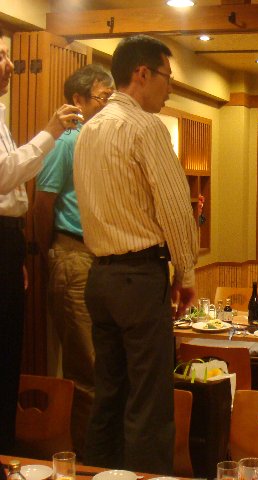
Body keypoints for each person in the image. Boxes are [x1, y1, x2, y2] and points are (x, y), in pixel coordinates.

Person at [73, 35, 198, 473]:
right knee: (149, 402)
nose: (170, 88)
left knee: (108, 394)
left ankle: (99, 474)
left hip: (99, 278)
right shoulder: (146, 127)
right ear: (142, 74)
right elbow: (175, 208)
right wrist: (186, 274)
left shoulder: (88, 131)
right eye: (167, 77)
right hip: (139, 278)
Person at [0, 33, 82, 453]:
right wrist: (49, 132)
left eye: (10, 57)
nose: (10, 66)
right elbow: (5, 178)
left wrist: (16, 254)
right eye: (1, 56)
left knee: (9, 354)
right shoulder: (62, 141)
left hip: (8, 241)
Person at [33, 64, 114, 456]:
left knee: (106, 365)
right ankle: (86, 462)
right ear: (78, 100)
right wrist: (49, 251)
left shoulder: (102, 141)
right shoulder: (67, 141)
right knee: (87, 368)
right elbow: (42, 202)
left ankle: (103, 456)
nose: (109, 105)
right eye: (103, 97)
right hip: (73, 254)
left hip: (102, 259)